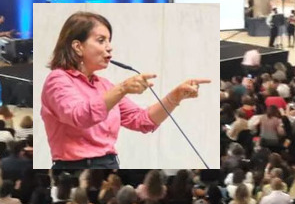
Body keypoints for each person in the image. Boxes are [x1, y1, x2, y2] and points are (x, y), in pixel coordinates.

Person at [40, 11, 210, 169]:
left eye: (109, 41)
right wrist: (122, 89)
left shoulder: (105, 85)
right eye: (101, 40)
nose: (109, 47)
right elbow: (80, 117)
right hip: (76, 169)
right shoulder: (58, 80)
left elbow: (142, 121)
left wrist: (175, 97)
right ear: (78, 47)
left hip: (109, 164)